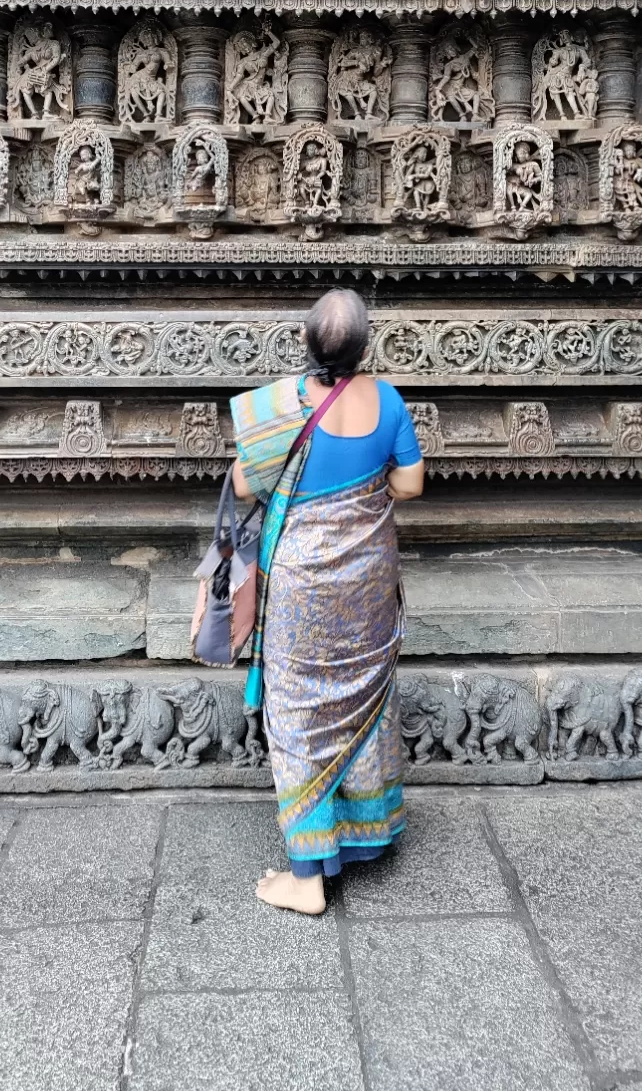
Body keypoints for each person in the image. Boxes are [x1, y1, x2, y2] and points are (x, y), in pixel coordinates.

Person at [230, 288, 424, 916]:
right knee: (363, 696)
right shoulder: (388, 399)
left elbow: (242, 482)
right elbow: (411, 484)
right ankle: (364, 835)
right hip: (367, 582)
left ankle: (307, 876)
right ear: (365, 346)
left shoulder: (280, 407)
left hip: (300, 587)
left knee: (297, 713)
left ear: (307, 343)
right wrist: (370, 480)